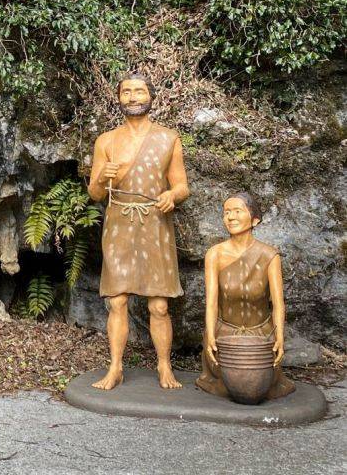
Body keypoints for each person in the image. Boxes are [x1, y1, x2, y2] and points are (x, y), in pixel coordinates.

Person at [87, 74, 190, 390]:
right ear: (119, 98)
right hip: (118, 223)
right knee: (117, 302)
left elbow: (182, 185)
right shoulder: (106, 141)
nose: (133, 97)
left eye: (139, 91)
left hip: (155, 224)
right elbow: (95, 194)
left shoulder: (168, 138)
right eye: (127, 92)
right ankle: (115, 367)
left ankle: (164, 366)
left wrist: (171, 196)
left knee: (159, 305)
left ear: (151, 96)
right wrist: (103, 176)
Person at [196, 192, 295, 399]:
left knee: (261, 386)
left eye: (237, 211)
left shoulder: (269, 255)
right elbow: (212, 303)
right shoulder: (215, 254)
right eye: (226, 212)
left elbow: (278, 304)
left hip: (261, 335)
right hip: (225, 333)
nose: (230, 217)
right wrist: (211, 336)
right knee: (229, 385)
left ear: (254, 219)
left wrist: (279, 338)